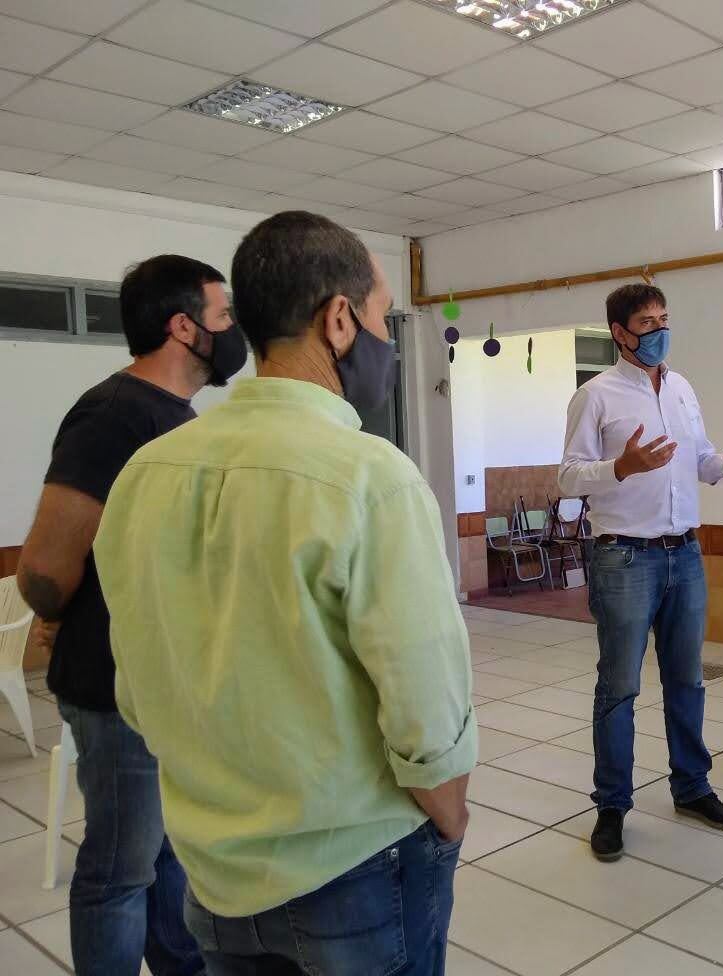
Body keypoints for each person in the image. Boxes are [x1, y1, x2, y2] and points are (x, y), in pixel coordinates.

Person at [93, 212, 475, 976]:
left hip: (213, 873)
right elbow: (426, 703)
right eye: (381, 319)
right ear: (339, 319)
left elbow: (136, 692)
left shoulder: (147, 474)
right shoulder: (371, 477)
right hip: (356, 868)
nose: (388, 345)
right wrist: (451, 816)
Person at [17, 253, 245, 976]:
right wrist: (53, 610)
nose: (235, 330)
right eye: (224, 316)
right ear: (184, 327)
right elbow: (46, 569)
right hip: (116, 688)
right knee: (120, 869)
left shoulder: (178, 420)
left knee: (169, 856)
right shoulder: (116, 413)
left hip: (169, 686)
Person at [560, 282, 723, 861]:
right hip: (624, 557)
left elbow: (697, 459)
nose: (658, 330)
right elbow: (569, 478)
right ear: (620, 333)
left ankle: (692, 787)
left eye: (664, 318)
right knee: (619, 687)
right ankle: (612, 806)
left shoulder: (681, 388)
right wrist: (618, 468)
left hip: (686, 554)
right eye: (646, 322)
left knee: (688, 680)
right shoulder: (595, 396)